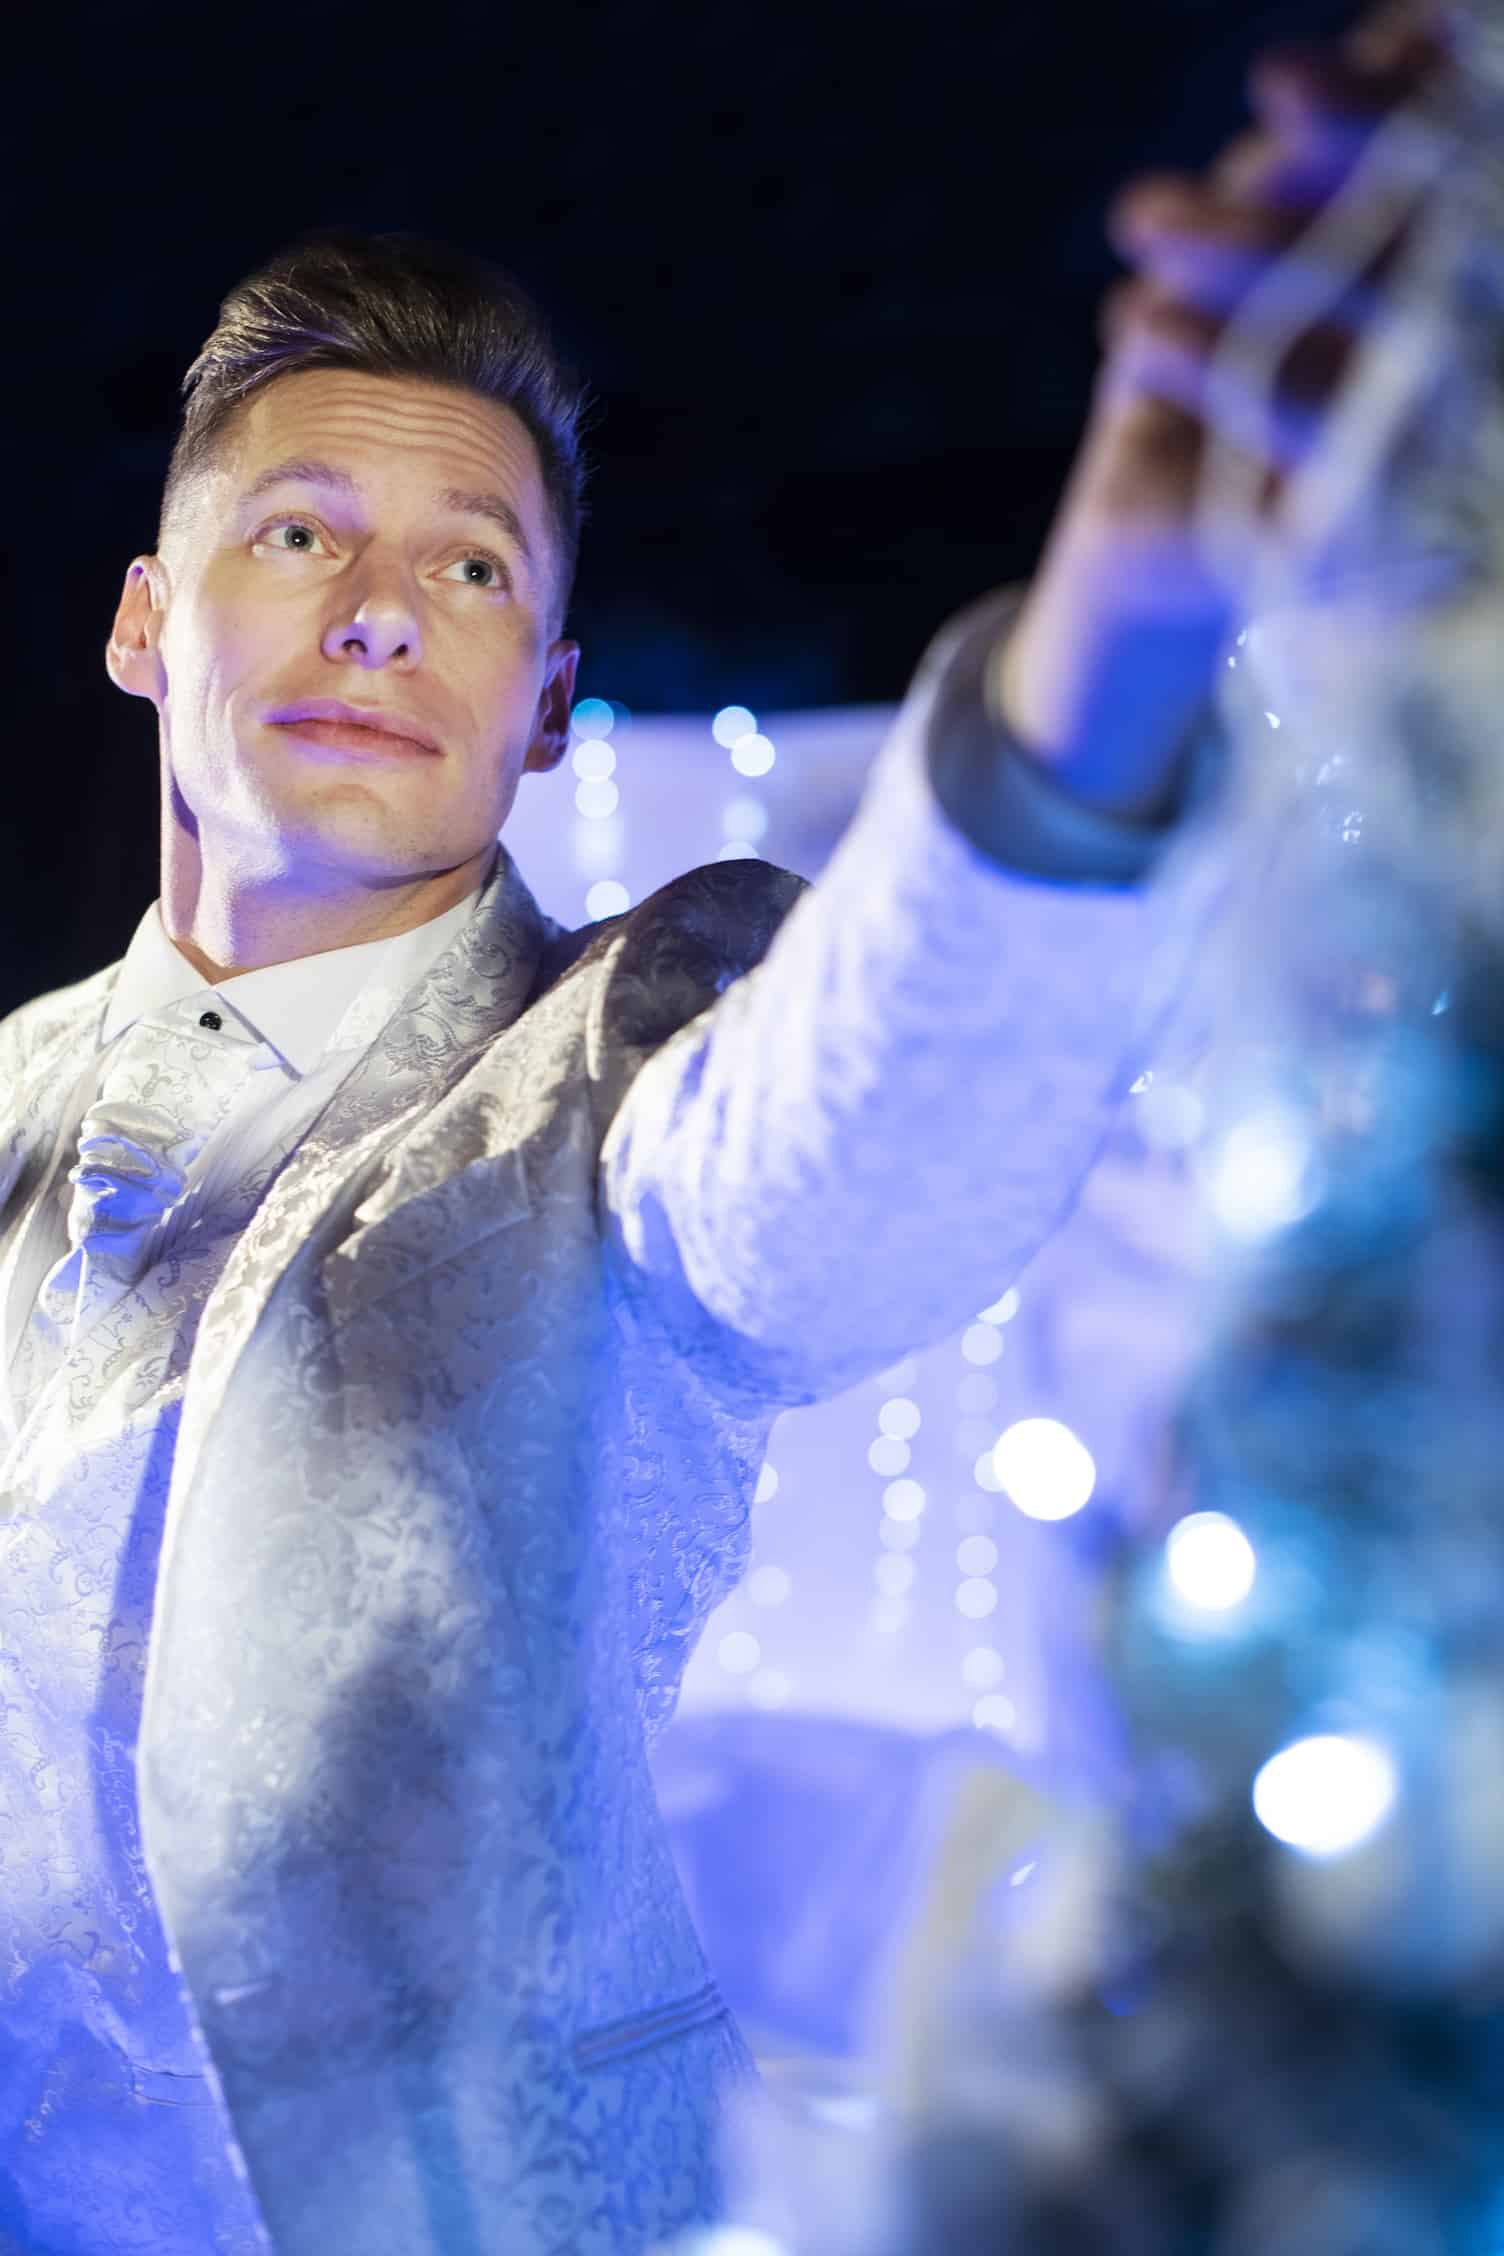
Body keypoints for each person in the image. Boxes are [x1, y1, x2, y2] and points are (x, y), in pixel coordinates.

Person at [0, 7, 1450, 2251]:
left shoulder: (623, 1053)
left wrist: (1128, 608)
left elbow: (859, 1149)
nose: (379, 616)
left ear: (549, 707)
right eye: (298, 534)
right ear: (141, 624)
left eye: (474, 570)